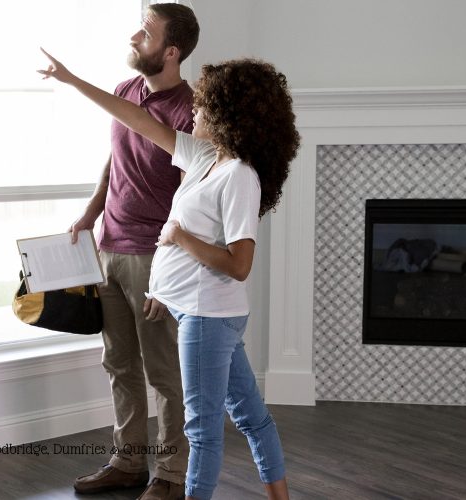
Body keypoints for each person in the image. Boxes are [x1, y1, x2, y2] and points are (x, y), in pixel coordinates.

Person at [39, 50, 299, 500]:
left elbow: (239, 264)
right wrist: (72, 80)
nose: (194, 110)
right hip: (195, 308)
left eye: (203, 105)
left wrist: (179, 237)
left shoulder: (239, 175)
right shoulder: (204, 157)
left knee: (202, 430)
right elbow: (136, 120)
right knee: (251, 416)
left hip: (207, 315)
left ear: (225, 115)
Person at [64, 4, 199, 500]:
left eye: (146, 32)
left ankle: (171, 474)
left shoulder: (190, 111)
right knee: (119, 364)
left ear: (171, 51)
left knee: (163, 371)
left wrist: (169, 270)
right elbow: (113, 161)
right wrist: (91, 212)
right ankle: (128, 462)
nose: (134, 37)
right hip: (110, 247)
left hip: (153, 256)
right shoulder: (125, 91)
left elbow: (191, 199)